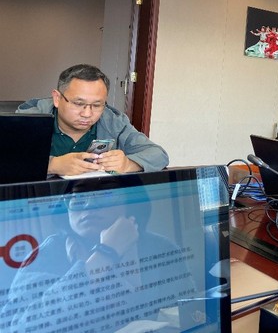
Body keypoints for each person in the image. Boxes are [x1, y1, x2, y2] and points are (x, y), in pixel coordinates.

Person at [2, 177, 197, 332]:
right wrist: (106, 253)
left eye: (106, 193)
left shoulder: (159, 247)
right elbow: (19, 327)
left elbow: (191, 313)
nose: (89, 205)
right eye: (78, 196)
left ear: (131, 202)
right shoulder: (46, 254)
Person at [17, 64, 169, 176]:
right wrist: (52, 165)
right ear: (57, 98)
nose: (87, 113)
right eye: (78, 103)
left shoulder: (113, 121)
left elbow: (158, 154)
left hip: (93, 201)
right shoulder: (29, 119)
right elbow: (8, 161)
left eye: (97, 105)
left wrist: (128, 164)